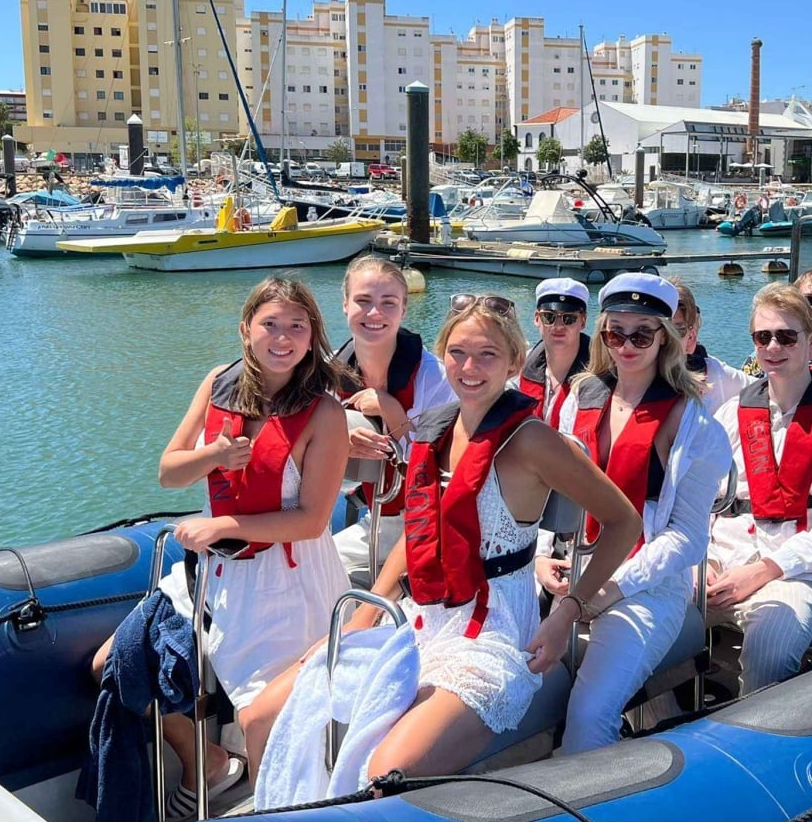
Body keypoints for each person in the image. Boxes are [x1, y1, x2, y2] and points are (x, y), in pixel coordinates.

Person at [245, 294, 641, 778]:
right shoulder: (434, 431)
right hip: (417, 616)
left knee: (385, 772)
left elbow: (625, 522)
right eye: (457, 353)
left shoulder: (533, 440)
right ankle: (281, 821)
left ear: (514, 362)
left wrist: (567, 613)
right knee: (258, 718)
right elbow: (417, 537)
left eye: (487, 354)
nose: (469, 368)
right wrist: (364, 616)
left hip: (490, 632)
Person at [92, 276, 350, 816]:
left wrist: (221, 525)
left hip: (287, 580)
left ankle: (273, 817)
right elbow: (169, 472)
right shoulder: (217, 383)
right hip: (214, 573)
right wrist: (214, 456)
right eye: (270, 324)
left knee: (260, 718)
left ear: (312, 336)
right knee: (114, 663)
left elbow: (311, 521)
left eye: (297, 327)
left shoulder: (325, 414)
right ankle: (205, 760)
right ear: (245, 330)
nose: (283, 338)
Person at [543, 273, 734, 754]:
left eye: (642, 335)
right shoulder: (577, 401)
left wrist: (610, 588)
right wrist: (543, 558)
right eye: (616, 334)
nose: (627, 346)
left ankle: (592, 793)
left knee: (589, 717)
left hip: (648, 588)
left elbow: (688, 537)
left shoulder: (695, 427)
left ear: (665, 338)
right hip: (571, 567)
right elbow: (549, 494)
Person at [708, 284, 812, 692]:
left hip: (796, 573)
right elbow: (699, 503)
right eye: (763, 337)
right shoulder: (730, 415)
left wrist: (764, 570)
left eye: (786, 336)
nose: (773, 347)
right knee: (638, 623)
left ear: (811, 337)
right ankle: (668, 719)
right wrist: (701, 563)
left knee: (770, 649)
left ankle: (749, 729)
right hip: (719, 560)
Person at [330, 255, 456, 583]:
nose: (375, 313)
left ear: (404, 309)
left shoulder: (435, 378)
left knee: (322, 573)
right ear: (345, 305)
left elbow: (445, 471)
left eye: (388, 303)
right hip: (376, 518)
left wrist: (391, 410)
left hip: (430, 523)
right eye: (363, 301)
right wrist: (339, 441)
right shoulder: (329, 374)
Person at [516, 277, 591, 429]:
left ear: (583, 321)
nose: (558, 326)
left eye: (569, 318)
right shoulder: (518, 367)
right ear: (537, 319)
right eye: (549, 317)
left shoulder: (601, 373)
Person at [671, 279, 747, 411]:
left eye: (676, 331)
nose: (665, 338)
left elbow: (764, 389)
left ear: (691, 336)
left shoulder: (717, 375)